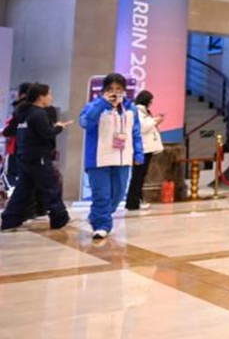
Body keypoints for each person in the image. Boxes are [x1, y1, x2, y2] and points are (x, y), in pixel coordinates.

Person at [78, 73, 143, 240]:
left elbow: (136, 133)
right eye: (110, 89)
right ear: (104, 90)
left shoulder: (130, 109)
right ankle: (102, 225)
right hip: (99, 159)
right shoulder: (94, 106)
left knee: (118, 194)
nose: (115, 92)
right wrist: (102, 103)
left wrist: (139, 153)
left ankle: (97, 216)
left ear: (124, 90)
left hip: (122, 158)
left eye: (119, 89)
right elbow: (85, 123)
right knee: (102, 195)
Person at [0, 83, 71, 232]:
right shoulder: (39, 113)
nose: (51, 97)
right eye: (49, 94)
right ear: (41, 97)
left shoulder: (22, 113)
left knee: (23, 189)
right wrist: (59, 127)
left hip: (24, 156)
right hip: (39, 157)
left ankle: (9, 219)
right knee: (50, 187)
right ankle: (59, 218)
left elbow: (9, 130)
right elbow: (46, 133)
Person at [127, 90, 164, 212]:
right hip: (142, 149)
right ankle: (133, 202)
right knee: (138, 176)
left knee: (140, 176)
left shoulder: (143, 112)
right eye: (150, 101)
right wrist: (155, 121)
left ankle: (136, 200)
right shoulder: (137, 110)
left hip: (146, 149)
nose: (151, 103)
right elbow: (143, 127)